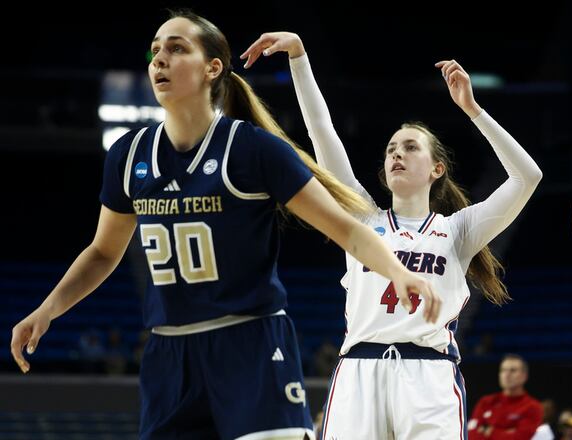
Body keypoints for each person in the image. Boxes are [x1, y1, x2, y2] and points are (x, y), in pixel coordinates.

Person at [9, 10, 440, 440]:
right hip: (169, 353)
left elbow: (345, 228)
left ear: (212, 68)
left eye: (177, 49)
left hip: (251, 342)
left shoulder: (253, 150)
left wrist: (399, 273)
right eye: (155, 50)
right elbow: (103, 252)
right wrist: (48, 310)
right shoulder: (129, 156)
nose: (160, 59)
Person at [241, 32, 543, 439]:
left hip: (429, 376)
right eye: (391, 149)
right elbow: (320, 130)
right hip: (359, 371)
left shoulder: (457, 230)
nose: (397, 153)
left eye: (410, 148)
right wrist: (299, 57)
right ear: (383, 171)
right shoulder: (362, 218)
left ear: (437, 169)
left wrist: (473, 110)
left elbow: (528, 176)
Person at [468, 354, 544, 439]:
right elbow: (471, 434)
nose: (507, 375)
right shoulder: (486, 402)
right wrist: (506, 432)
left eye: (513, 370)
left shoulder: (532, 407)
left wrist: (490, 431)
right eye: (503, 370)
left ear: (524, 376)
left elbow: (521, 437)